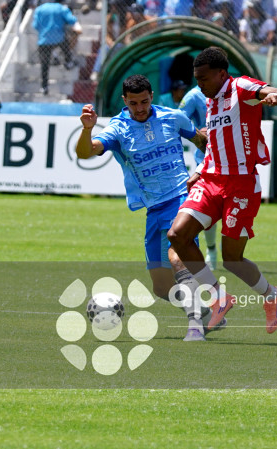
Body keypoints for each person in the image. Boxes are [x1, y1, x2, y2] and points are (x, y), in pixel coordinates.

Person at [75, 75, 218, 342]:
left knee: (177, 256)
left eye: (144, 101)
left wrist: (203, 168)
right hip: (154, 208)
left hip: (181, 198)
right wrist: (87, 130)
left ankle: (195, 326)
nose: (139, 108)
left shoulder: (173, 117)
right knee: (162, 288)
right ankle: (208, 311)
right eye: (133, 103)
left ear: (152, 95)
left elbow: (203, 142)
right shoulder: (118, 128)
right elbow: (86, 152)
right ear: (124, 101)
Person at [166, 47, 277, 338]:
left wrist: (273, 97)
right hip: (211, 179)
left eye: (204, 78)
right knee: (177, 236)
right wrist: (198, 171)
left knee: (231, 259)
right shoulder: (210, 99)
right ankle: (219, 297)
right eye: (196, 79)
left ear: (222, 74)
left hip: (241, 184)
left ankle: (272, 296)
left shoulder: (240, 86)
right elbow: (215, 142)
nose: (199, 84)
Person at [178, 83, 220, 270]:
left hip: (232, 158)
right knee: (207, 208)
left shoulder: (231, 92)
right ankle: (211, 250)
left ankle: (233, 254)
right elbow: (179, 121)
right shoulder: (194, 96)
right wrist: (200, 133)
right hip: (205, 160)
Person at [32, 0, 81, 96]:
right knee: (66, 42)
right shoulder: (61, 8)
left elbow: (35, 25)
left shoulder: (39, 9)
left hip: (44, 39)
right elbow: (71, 20)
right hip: (59, 38)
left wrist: (45, 29)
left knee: (44, 64)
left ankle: (44, 86)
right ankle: (68, 61)